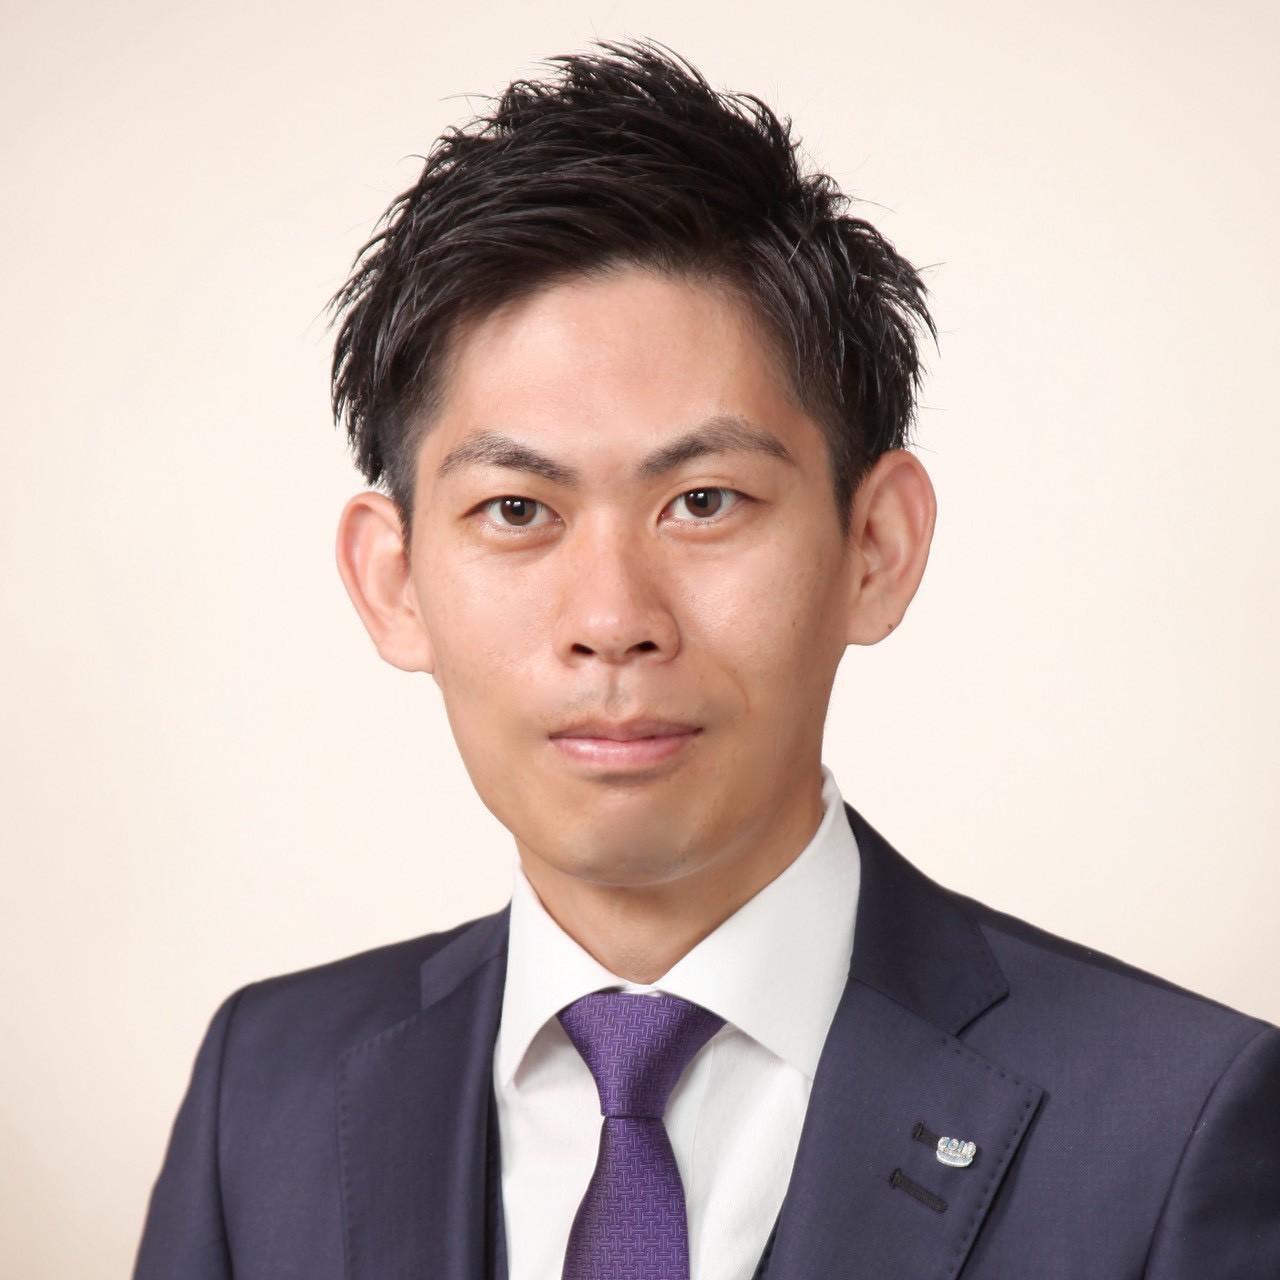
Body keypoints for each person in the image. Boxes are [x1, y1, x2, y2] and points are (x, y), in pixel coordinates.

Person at [132, 37, 1280, 1280]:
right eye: (515, 509)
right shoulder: (266, 1092)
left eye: (704, 500)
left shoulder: (1173, 1125)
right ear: (392, 580)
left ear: (875, 546)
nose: (612, 617)